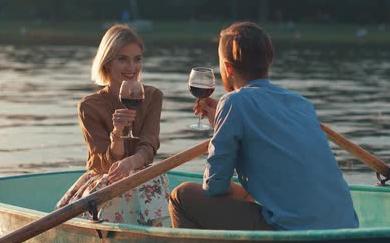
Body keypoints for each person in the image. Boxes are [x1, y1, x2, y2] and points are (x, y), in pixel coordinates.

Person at [169, 22, 359, 230]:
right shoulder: (300, 103)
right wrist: (223, 125)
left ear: (228, 68)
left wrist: (226, 121)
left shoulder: (233, 102)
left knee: (182, 196)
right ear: (269, 61)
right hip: (345, 227)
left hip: (293, 232)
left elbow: (215, 185)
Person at [56, 24, 169, 226]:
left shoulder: (153, 96)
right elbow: (105, 164)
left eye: (137, 59)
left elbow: (149, 144)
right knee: (113, 188)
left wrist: (133, 162)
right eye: (122, 59)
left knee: (152, 181)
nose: (132, 68)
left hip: (141, 174)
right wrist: (117, 133)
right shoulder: (89, 106)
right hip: (106, 178)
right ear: (107, 62)